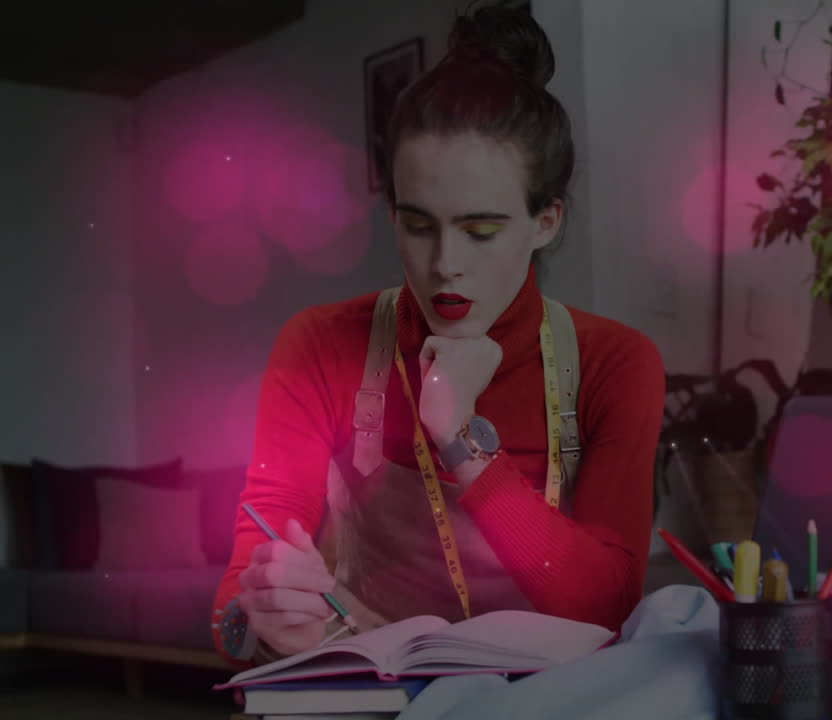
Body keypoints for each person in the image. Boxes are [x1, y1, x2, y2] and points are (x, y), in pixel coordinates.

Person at [211, 6, 665, 667]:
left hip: (551, 701)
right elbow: (239, 594)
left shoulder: (614, 363)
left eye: (481, 230)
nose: (446, 262)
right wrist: (254, 619)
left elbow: (607, 608)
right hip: (379, 688)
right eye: (419, 225)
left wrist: (460, 437)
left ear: (547, 219)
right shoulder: (320, 345)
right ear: (392, 210)